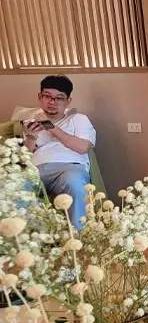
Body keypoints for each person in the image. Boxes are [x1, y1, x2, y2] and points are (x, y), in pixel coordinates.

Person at [20, 75, 96, 230]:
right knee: (13, 187)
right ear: (40, 97)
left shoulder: (78, 119)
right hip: (36, 168)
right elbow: (25, 157)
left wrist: (50, 127)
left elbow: (82, 147)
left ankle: (79, 238)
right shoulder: (30, 123)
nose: (52, 102)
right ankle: (41, 235)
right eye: (47, 96)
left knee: (75, 183)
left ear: (68, 101)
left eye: (59, 98)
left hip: (70, 167)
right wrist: (31, 137)